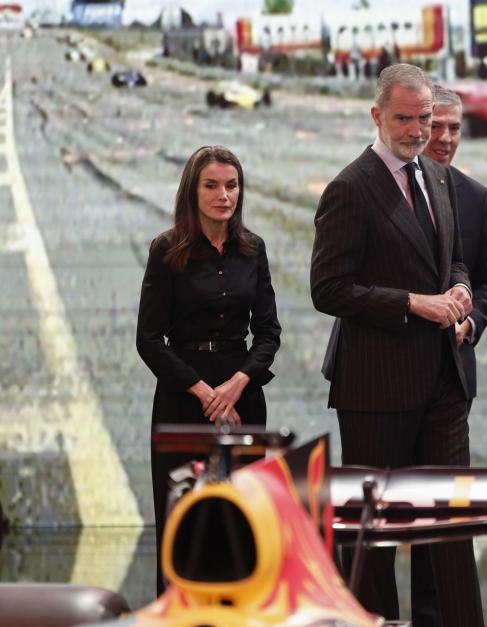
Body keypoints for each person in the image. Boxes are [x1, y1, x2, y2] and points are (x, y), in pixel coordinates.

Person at [310, 64, 483, 626]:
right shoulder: (349, 188)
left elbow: (454, 259)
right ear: (377, 116)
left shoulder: (437, 177)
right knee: (374, 540)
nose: (418, 130)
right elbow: (328, 289)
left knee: (454, 529)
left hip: (444, 383)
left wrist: (459, 290)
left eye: (425, 118)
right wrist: (414, 303)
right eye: (405, 119)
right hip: (376, 388)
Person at [136, 145, 281, 593]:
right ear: (193, 192)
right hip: (183, 401)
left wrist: (236, 385)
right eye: (212, 186)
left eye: (232, 185)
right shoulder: (167, 249)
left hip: (242, 399)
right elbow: (148, 340)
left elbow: (269, 334)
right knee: (182, 528)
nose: (224, 195)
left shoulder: (253, 249)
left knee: (240, 525)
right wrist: (204, 393)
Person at [409, 84, 487, 626]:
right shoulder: (378, 185)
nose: (444, 138)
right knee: (382, 513)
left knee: (444, 513)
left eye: (454, 128)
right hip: (383, 376)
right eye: (435, 126)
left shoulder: (474, 196)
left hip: (450, 376)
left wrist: (471, 320)